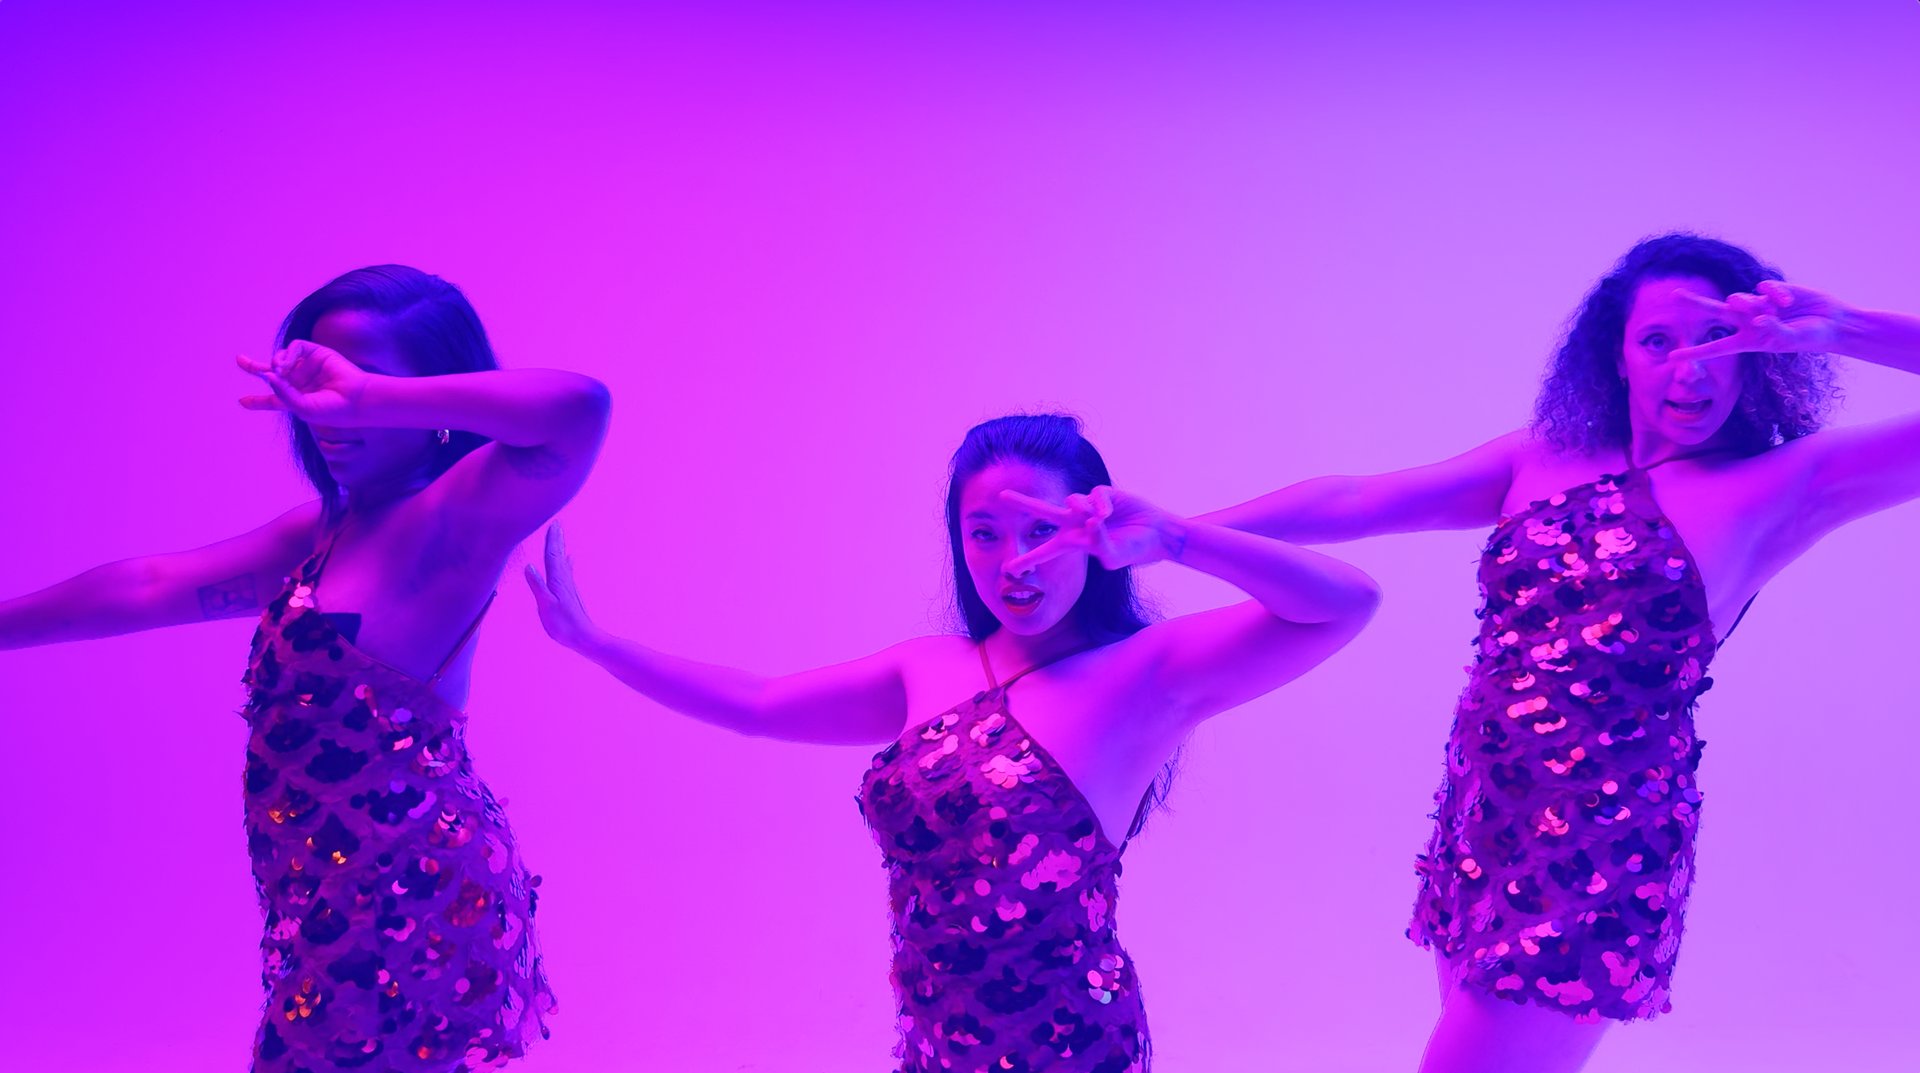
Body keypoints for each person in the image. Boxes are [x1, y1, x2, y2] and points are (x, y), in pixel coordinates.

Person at [1202, 233, 1920, 1073]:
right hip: (1481, 816)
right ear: (1616, 355)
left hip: (1601, 849)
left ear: (1756, 354)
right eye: (1660, 341)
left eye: (1718, 340)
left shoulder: (1786, 485)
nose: (1690, 370)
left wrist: (1842, 329)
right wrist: (1177, 537)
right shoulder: (1542, 455)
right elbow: (1359, 497)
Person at [524, 413, 1381, 1071]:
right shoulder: (928, 668)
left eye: (1041, 530)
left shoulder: (1143, 675)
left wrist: (1174, 538)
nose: (1014, 560)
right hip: (936, 1041)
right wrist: (598, 645)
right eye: (985, 533)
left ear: (1090, 529)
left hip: (1072, 1044)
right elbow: (757, 702)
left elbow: (1346, 603)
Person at [0, 265, 611, 1071]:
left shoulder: (458, 514)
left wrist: (370, 396)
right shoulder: (320, 533)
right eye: (312, 373)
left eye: (362, 379)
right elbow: (150, 584)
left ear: (431, 395)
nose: (327, 405)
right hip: (324, 899)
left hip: (415, 890)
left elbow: (579, 409)